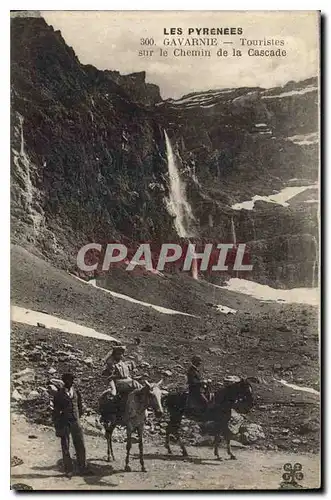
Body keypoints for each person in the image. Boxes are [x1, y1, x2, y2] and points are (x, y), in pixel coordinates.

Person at [52, 372, 88, 478]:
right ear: (64, 381)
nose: (70, 382)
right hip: (65, 422)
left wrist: (77, 417)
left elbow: (80, 406)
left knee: (80, 444)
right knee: (66, 446)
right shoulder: (59, 394)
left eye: (71, 380)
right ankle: (68, 469)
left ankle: (83, 467)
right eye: (68, 380)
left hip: (75, 421)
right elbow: (56, 410)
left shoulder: (76, 392)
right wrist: (58, 424)